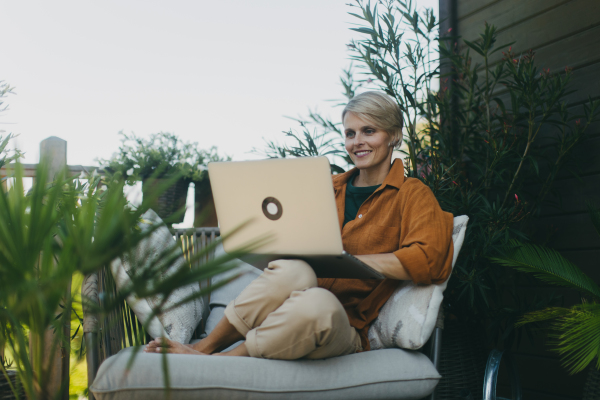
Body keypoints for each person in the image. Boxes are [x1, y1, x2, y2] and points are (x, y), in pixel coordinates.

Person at [144, 91, 454, 359]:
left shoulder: (412, 194)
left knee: (319, 303)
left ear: (393, 136)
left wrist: (352, 263)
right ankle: (205, 347)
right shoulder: (324, 187)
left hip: (341, 324)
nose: (357, 142)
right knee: (295, 270)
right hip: (291, 302)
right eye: (350, 133)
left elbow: (430, 259)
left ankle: (221, 360)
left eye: (369, 131)